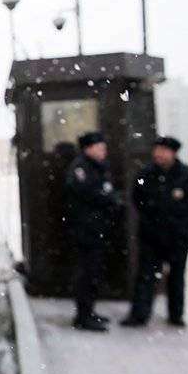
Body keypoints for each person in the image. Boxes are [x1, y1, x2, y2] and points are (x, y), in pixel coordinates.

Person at [121, 136, 188, 327]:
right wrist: (151, 218)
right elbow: (137, 198)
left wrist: (183, 221)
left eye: (164, 150)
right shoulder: (145, 174)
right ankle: (139, 315)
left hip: (178, 237)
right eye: (157, 149)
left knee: (176, 277)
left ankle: (176, 315)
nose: (159, 154)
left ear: (173, 153)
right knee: (146, 276)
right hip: (151, 236)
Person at [64, 131, 123, 332]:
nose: (103, 151)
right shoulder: (81, 168)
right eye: (100, 147)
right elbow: (90, 194)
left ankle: (89, 311)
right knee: (86, 273)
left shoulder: (97, 166)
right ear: (88, 149)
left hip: (96, 229)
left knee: (94, 272)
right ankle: (83, 316)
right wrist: (109, 198)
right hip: (86, 230)